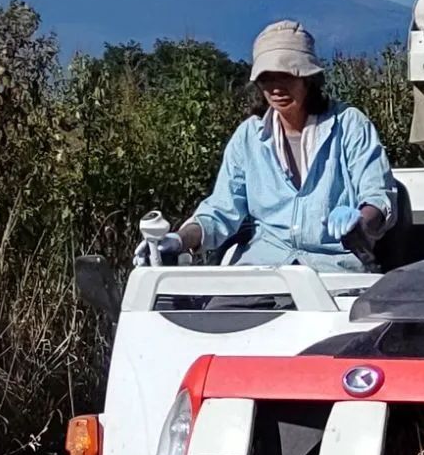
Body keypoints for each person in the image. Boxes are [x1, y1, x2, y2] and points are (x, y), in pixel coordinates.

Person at [135, 19, 395, 272]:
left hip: (333, 272)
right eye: (266, 78)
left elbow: (377, 196)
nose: (276, 88)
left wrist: (360, 222)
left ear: (308, 78)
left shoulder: (349, 125)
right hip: (262, 271)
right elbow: (221, 211)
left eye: (286, 76)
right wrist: (177, 241)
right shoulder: (249, 136)